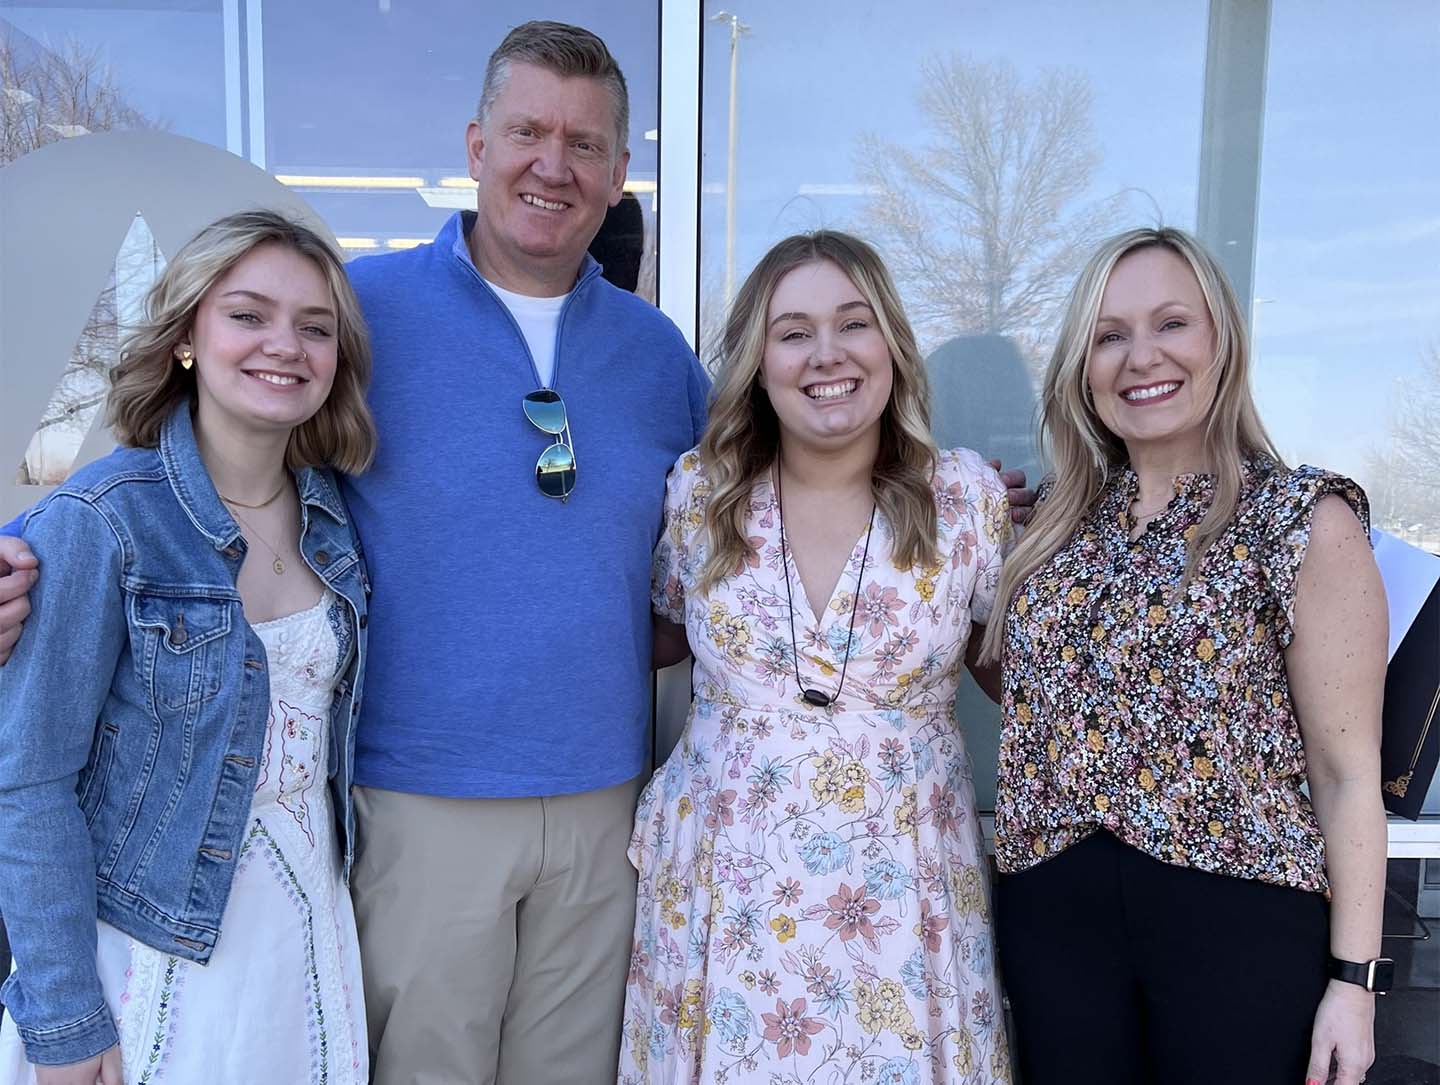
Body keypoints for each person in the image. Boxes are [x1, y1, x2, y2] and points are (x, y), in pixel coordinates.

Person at [0, 23, 1034, 1083]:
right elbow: (210, 470)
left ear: (620, 173)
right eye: (528, 131)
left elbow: (723, 567)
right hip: (419, 804)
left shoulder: (653, 352)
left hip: (607, 812)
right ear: (476, 144)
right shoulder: (361, 314)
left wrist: (948, 509)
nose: (554, 164)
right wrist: (34, 557)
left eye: (585, 144)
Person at [978, 227, 1387, 1085]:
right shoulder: (1053, 527)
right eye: (1109, 334)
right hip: (1054, 921)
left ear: (1221, 342)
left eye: (1171, 323)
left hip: (1238, 924)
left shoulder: (1304, 521)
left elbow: (1347, 771)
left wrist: (1355, 982)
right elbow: (1028, 695)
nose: (1141, 356)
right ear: (1082, 367)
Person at [620, 231, 1015, 1084]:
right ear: (758, 363)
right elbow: (649, 637)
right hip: (728, 889)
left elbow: (1015, 673)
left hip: (904, 894)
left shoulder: (967, 499)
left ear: (894, 347)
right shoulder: (700, 494)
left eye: (853, 323)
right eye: (793, 331)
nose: (825, 354)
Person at [0, 210, 377, 1084]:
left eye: (314, 327)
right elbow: (27, 780)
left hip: (307, 928)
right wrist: (64, 1018)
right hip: (150, 943)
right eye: (248, 314)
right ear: (184, 339)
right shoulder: (104, 521)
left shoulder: (334, 518)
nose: (284, 344)